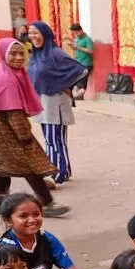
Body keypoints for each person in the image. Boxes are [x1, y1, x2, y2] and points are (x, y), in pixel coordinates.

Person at [0, 38, 69, 216]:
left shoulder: (9, 72)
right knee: (28, 164)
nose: (19, 57)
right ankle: (47, 202)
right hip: (4, 127)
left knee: (6, 162)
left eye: (22, 53)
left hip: (1, 126)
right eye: (13, 54)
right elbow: (14, 112)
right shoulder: (8, 79)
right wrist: (24, 136)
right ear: (4, 54)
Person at [26, 21, 87, 186]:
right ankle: (63, 170)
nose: (33, 36)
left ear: (45, 34)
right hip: (42, 102)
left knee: (54, 139)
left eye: (36, 33)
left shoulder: (55, 53)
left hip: (54, 102)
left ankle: (55, 173)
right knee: (51, 139)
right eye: (30, 33)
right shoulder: (37, 55)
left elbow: (81, 69)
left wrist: (65, 84)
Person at [70, 22, 93, 98]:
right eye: (74, 33)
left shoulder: (87, 39)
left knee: (82, 79)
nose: (75, 34)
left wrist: (78, 48)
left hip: (86, 63)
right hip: (78, 62)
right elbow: (75, 49)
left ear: (80, 30)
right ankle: (79, 94)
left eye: (76, 32)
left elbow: (90, 51)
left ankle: (79, 93)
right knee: (80, 79)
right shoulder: (76, 39)